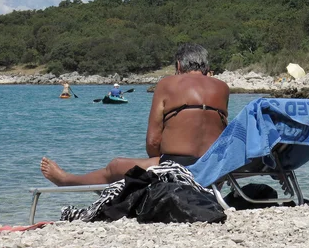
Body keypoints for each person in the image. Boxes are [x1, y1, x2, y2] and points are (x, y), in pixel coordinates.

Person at [40, 43, 230, 186]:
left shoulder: (168, 84)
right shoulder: (222, 88)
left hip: (178, 166)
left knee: (115, 166)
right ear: (205, 66)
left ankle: (67, 180)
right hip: (214, 166)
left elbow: (153, 141)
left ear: (179, 65)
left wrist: (156, 161)